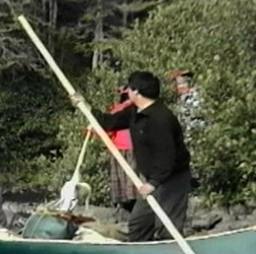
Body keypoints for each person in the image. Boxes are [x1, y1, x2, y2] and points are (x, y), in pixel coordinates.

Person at [71, 71, 191, 242]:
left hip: (172, 179)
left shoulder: (160, 119)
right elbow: (108, 122)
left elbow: (167, 156)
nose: (127, 92)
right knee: (139, 225)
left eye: (129, 88)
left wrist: (153, 183)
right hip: (152, 179)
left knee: (168, 227)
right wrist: (85, 107)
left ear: (136, 91)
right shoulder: (134, 112)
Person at [107, 86, 138, 214]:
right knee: (125, 177)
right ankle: (127, 204)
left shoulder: (131, 109)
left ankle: (130, 203)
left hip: (128, 147)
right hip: (120, 148)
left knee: (128, 177)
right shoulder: (119, 109)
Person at [168, 70, 205, 139]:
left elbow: (195, 117)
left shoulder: (195, 97)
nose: (178, 87)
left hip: (195, 136)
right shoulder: (181, 98)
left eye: (180, 84)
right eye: (178, 84)